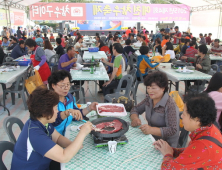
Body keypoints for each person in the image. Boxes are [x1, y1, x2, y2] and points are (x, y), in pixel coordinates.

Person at [11, 87, 94, 170]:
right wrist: (83, 133)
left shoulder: (40, 121)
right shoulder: (35, 134)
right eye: (55, 108)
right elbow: (64, 157)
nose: (57, 111)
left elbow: (57, 137)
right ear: (44, 113)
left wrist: (73, 145)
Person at [153, 93, 222, 169]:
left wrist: (168, 154)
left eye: (184, 114)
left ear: (197, 120)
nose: (181, 116)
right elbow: (191, 152)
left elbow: (168, 168)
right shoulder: (210, 127)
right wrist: (171, 150)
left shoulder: (203, 145)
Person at [131, 71, 179, 147]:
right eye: (148, 88)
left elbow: (172, 129)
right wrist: (135, 118)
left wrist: (151, 130)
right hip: (151, 137)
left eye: (153, 88)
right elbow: (135, 109)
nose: (150, 91)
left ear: (163, 88)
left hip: (166, 144)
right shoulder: (149, 99)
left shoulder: (170, 105)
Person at [48, 70, 97, 135]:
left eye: (68, 84)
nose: (66, 88)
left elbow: (76, 114)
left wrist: (90, 108)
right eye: (62, 85)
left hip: (67, 133)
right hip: (53, 137)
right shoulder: (49, 101)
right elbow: (54, 121)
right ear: (53, 86)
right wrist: (68, 112)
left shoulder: (69, 98)